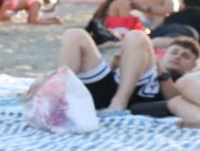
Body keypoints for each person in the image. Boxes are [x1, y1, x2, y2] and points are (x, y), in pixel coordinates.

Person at [44, 29, 200, 124]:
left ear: (194, 65)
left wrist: (161, 72)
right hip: (112, 86)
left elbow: (173, 98)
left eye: (185, 56)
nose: (178, 57)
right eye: (174, 52)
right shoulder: (149, 61)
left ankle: (118, 103)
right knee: (75, 34)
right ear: (164, 55)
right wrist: (116, 64)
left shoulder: (185, 79)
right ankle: (58, 97)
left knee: (137, 36)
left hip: (141, 93)